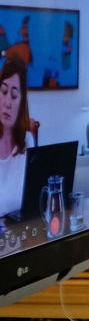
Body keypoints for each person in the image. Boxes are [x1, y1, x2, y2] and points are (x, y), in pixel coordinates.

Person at [0, 56, 30, 217]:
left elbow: (33, 198)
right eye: (3, 91)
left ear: (21, 101)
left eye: (13, 95)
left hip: (22, 234)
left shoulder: (28, 141)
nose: (7, 103)